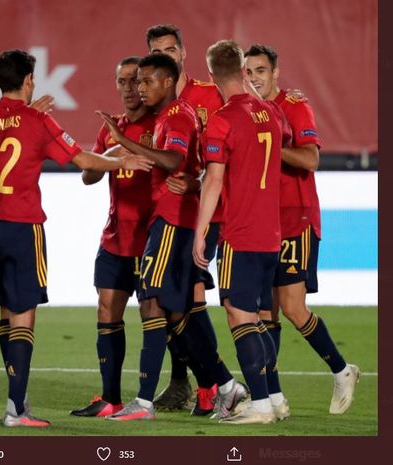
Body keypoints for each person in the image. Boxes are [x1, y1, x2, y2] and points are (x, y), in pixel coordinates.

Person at [0, 49, 153, 426]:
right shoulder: (37, 122)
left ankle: (19, 400)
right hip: (22, 229)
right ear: (28, 80)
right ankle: (16, 410)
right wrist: (120, 161)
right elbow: (83, 160)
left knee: (6, 312)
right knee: (24, 318)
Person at [96, 53, 244, 421]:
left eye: (147, 81)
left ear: (167, 82)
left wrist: (123, 142)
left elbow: (173, 161)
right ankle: (226, 386)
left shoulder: (177, 115)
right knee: (176, 310)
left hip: (173, 220)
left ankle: (144, 403)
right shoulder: (167, 116)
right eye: (136, 82)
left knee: (153, 301)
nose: (140, 88)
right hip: (171, 220)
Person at [245, 44, 359, 414]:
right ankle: (273, 398)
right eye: (248, 71)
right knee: (265, 314)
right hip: (262, 222)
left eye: (261, 71)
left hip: (297, 217)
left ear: (275, 73)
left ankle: (342, 370)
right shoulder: (247, 112)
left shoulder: (294, 106)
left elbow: (310, 158)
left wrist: (268, 144)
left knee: (293, 309)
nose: (254, 78)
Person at [193, 39, 290, 424]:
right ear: (245, 72)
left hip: (240, 232)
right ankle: (276, 397)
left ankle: (262, 405)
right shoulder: (271, 113)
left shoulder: (222, 118)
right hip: (271, 233)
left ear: (213, 75)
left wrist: (201, 232)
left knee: (238, 314)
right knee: (255, 316)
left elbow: (213, 181)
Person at [145, 24, 226, 413]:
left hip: (209, 211)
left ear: (183, 53)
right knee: (173, 299)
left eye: (172, 49)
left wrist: (198, 180)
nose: (169, 54)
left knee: (188, 296)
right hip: (170, 213)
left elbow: (242, 131)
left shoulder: (210, 94)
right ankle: (186, 383)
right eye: (160, 50)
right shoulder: (154, 102)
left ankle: (214, 385)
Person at [69, 56, 156, 418]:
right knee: (107, 311)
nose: (128, 88)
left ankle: (160, 396)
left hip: (151, 237)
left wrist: (131, 149)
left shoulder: (159, 124)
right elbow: (88, 176)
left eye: (135, 81)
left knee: (157, 316)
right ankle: (110, 398)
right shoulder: (112, 129)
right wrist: (113, 153)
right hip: (115, 237)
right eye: (121, 81)